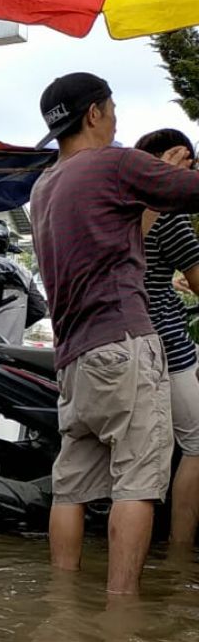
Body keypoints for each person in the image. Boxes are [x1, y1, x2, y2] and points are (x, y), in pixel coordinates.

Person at [30, 72, 199, 593]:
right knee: (139, 485)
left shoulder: (43, 187)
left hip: (73, 360)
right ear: (96, 114)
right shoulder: (114, 163)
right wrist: (156, 172)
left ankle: (66, 611)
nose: (117, 119)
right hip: (124, 344)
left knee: (71, 489)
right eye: (114, 109)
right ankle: (121, 620)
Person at [136, 128, 199, 551]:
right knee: (197, 444)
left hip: (112, 339)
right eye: (189, 167)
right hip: (164, 342)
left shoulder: (112, 208)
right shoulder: (169, 215)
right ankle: (179, 556)